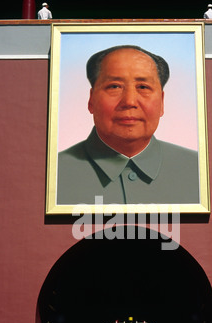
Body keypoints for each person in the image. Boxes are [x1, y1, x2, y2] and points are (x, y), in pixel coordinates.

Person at [57, 45, 199, 205]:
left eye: (143, 87)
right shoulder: (54, 174)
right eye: (114, 86)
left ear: (162, 102)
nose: (129, 102)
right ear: (91, 100)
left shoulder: (199, 171)